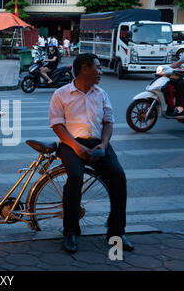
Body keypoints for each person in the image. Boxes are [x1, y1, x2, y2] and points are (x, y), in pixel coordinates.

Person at [49, 53, 133, 254]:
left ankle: (116, 231)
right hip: (71, 144)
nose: (101, 72)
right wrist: (77, 147)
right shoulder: (61, 94)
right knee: (75, 177)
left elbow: (108, 122)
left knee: (118, 177)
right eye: (98, 67)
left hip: (98, 143)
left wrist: (104, 144)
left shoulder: (101, 93)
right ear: (84, 69)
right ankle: (70, 231)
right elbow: (57, 125)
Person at [170, 37, 184, 115]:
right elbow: (178, 63)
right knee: (171, 82)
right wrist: (166, 67)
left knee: (181, 84)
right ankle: (171, 105)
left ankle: (180, 108)